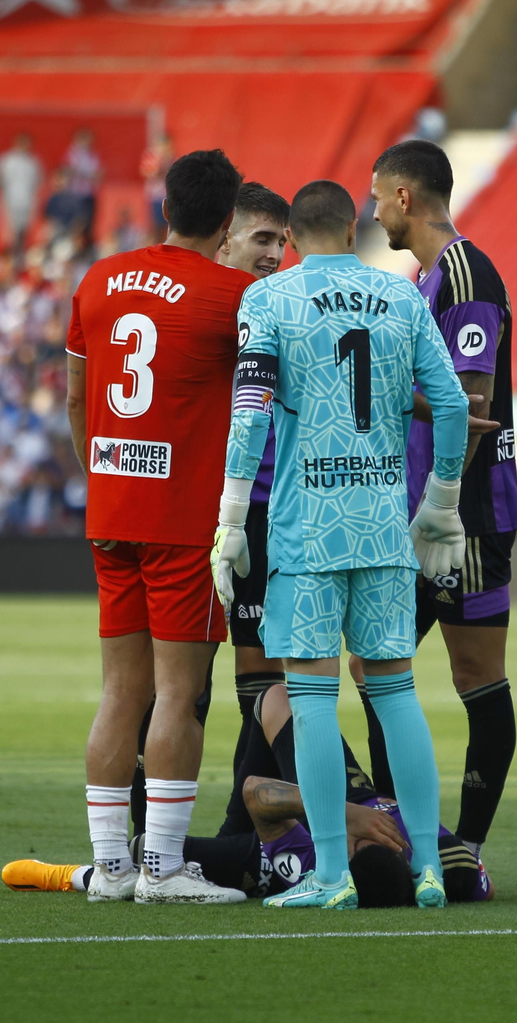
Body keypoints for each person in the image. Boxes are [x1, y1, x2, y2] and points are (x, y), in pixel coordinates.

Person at [211, 179, 471, 909]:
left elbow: (252, 410)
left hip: (307, 528)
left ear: (290, 238)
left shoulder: (268, 301)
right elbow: (450, 404)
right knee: (394, 694)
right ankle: (426, 868)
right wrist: (441, 507)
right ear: (355, 227)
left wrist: (232, 519)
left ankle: (331, 877)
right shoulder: (402, 296)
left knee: (314, 698)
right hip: (385, 522)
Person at [65, 148, 253, 905]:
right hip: (182, 521)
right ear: (230, 220)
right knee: (178, 694)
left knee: (120, 693)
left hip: (113, 510)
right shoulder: (234, 296)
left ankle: (111, 868)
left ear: (165, 206)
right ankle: (164, 867)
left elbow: (77, 402)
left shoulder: (98, 280)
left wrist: (105, 483)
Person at [358, 139, 517, 864]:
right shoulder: (424, 279)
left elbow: (472, 403)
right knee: (376, 665)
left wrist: (444, 509)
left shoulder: (463, 273)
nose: (370, 211)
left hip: (463, 517)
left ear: (403, 198)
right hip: (423, 512)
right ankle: (404, 832)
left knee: (473, 675)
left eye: (374, 196)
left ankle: (466, 846)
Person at [2, 682, 495, 906]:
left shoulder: (307, 858)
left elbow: (256, 791)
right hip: (350, 801)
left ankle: (64, 875)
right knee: (275, 698)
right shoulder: (438, 864)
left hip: (264, 843)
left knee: (142, 859)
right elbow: (477, 877)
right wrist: (351, 808)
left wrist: (333, 814)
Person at [212, 182, 292, 835]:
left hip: (261, 511)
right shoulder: (209, 306)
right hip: (201, 512)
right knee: (170, 685)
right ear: (226, 236)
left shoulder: (281, 307)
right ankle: (144, 836)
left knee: (258, 672)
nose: (273, 253)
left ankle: (241, 831)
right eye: (261, 238)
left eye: (282, 241)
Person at [0, 133, 43, 250]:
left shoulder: (33, 162)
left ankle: (21, 255)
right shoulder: (8, 161)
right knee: (11, 233)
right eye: (22, 143)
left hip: (28, 202)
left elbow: (38, 183)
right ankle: (10, 256)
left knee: (25, 232)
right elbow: (1, 181)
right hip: (11, 201)